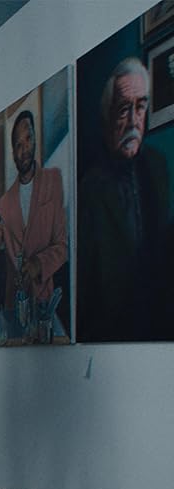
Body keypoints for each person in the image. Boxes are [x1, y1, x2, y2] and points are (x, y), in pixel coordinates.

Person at [78, 56, 173, 341]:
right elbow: (85, 286)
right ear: (107, 116)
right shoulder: (89, 187)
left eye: (140, 107)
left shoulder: (157, 165)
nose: (134, 121)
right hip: (114, 332)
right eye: (123, 110)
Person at [0, 110, 67, 337]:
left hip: (45, 302)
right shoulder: (5, 202)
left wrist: (38, 264)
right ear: (13, 153)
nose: (24, 149)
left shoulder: (53, 179)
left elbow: (62, 247)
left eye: (28, 139)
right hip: (14, 305)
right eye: (18, 145)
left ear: (35, 138)